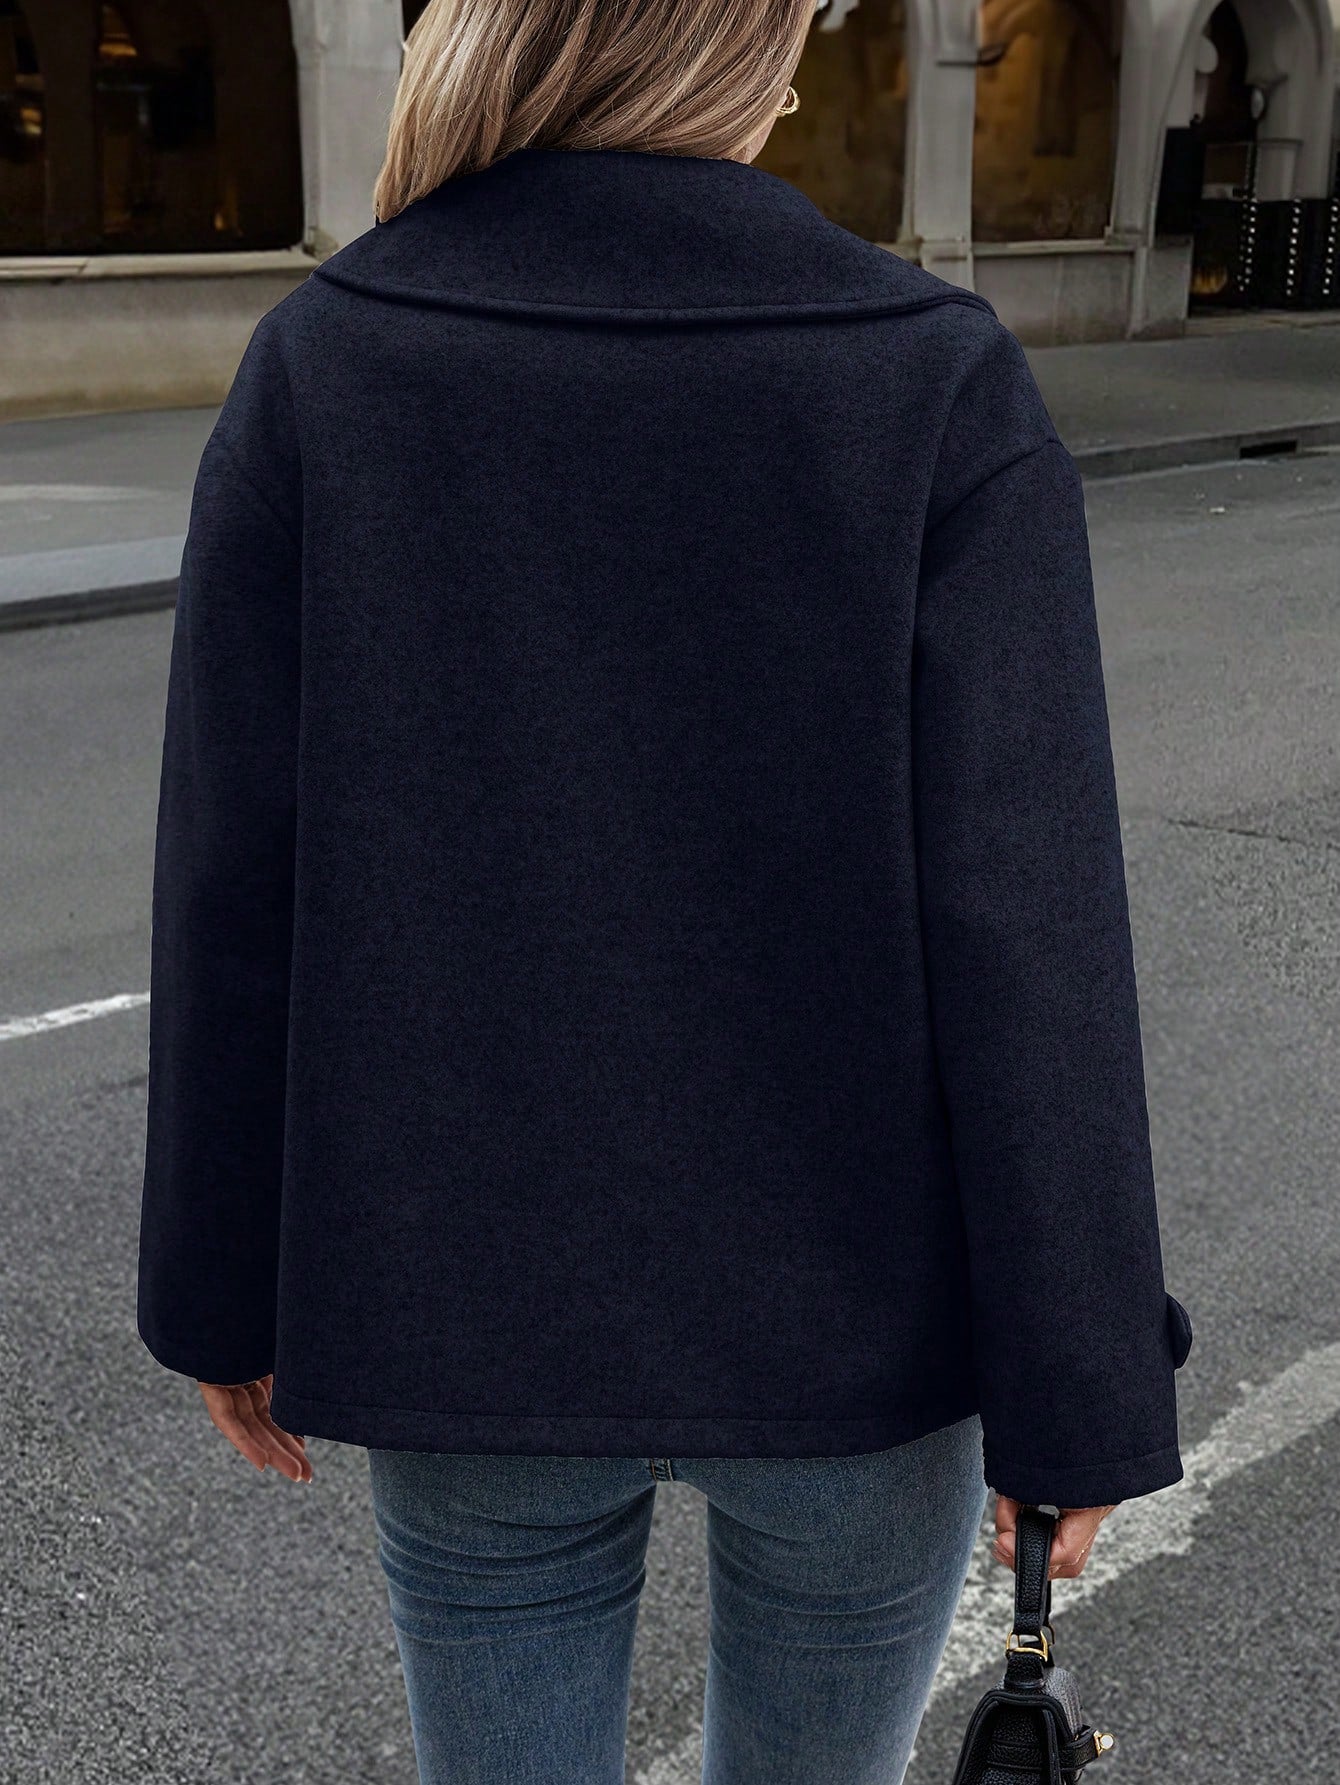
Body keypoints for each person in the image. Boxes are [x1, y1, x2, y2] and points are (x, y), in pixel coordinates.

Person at [136, 1, 1194, 1780]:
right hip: (861, 1323)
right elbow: (1029, 925)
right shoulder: (928, 375)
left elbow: (235, 877)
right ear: (745, 49)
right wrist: (1080, 1373)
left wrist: (220, 1285)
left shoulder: (332, 360)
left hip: (468, 1304)